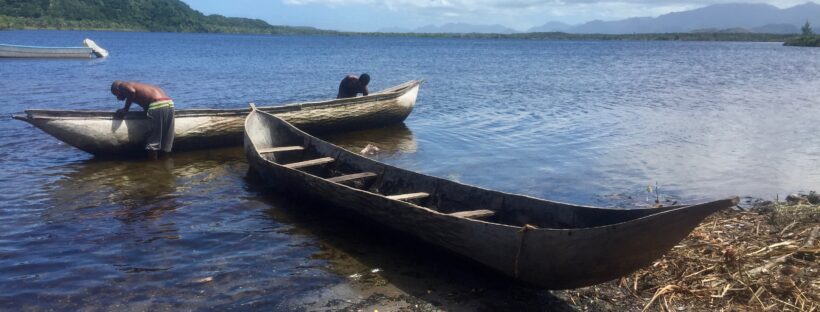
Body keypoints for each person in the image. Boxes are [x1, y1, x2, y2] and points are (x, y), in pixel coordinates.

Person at [111, 81, 175, 159]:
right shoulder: (142, 85)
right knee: (166, 141)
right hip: (169, 103)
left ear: (117, 89)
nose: (118, 98)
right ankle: (165, 163)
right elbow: (146, 98)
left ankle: (153, 167)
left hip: (157, 105)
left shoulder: (123, 85)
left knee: (153, 142)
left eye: (116, 94)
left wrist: (125, 109)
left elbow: (131, 91)